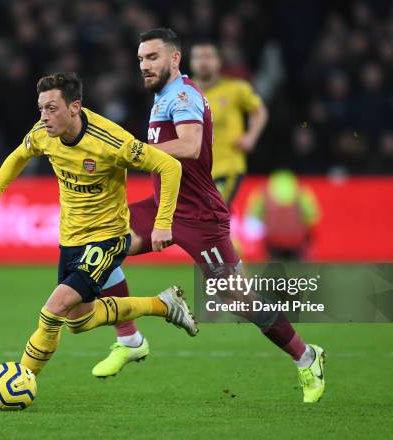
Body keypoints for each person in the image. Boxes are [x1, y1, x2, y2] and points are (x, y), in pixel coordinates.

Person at [93, 29, 325, 403]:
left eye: (152, 57)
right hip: (161, 204)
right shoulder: (162, 97)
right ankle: (129, 338)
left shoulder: (182, 95)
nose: (144, 65)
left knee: (238, 299)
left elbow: (190, 144)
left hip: (199, 215)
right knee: (100, 245)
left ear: (174, 59)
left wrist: (132, 153)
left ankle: (307, 356)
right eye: (140, 59)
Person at [0, 73, 198, 410]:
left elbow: (169, 165)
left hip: (108, 237)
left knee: (53, 309)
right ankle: (164, 305)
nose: (44, 116)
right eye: (41, 108)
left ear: (75, 107)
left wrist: (163, 223)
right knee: (79, 320)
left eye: (52, 108)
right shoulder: (43, 133)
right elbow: (17, 157)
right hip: (70, 239)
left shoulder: (112, 141)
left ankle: (17, 383)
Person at [190, 41, 268, 206]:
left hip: (227, 167)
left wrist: (251, 137)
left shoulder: (236, 89)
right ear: (191, 62)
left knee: (210, 215)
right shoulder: (182, 93)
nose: (203, 62)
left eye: (208, 56)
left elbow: (259, 111)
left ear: (219, 61)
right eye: (198, 57)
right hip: (194, 172)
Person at [247, 170, 320, 260]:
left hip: (272, 242)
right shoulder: (301, 191)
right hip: (297, 241)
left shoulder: (263, 191)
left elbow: (252, 220)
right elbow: (313, 217)